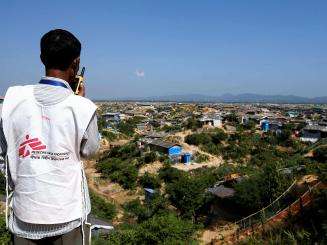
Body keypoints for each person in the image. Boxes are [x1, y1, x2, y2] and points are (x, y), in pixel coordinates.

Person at [0, 29, 99, 245]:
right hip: (68, 215)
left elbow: (6, 146)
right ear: (76, 62)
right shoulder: (83, 107)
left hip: (25, 213)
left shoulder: (12, 99)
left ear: (42, 58)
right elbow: (90, 150)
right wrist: (79, 101)